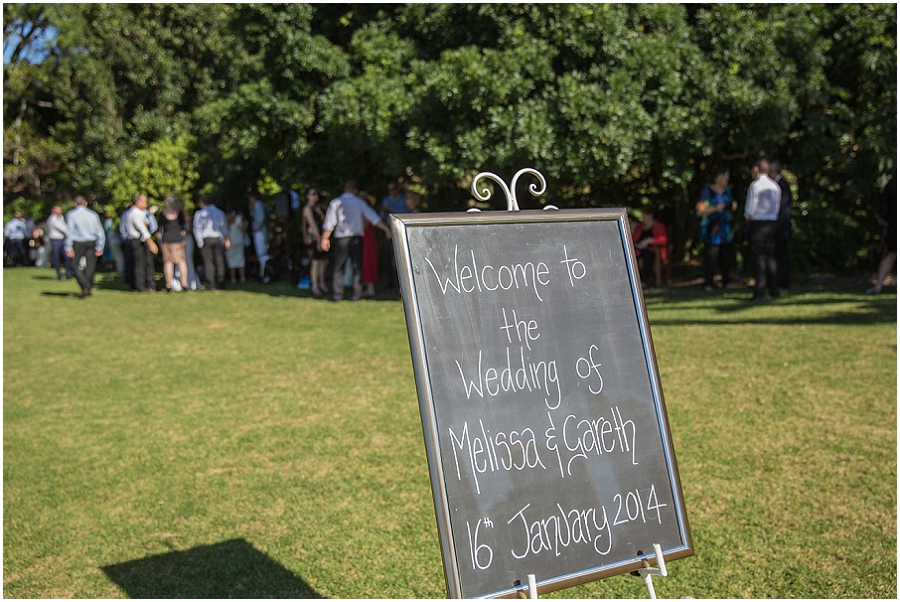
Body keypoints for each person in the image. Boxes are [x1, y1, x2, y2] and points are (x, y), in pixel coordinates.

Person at [321, 180, 392, 302]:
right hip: (356, 237)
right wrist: (386, 229)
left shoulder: (336, 202)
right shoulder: (359, 203)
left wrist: (325, 237)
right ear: (355, 190)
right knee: (357, 266)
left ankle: (337, 294)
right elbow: (373, 217)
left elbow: (330, 222)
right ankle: (357, 294)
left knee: (339, 266)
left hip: (341, 238)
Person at [744, 157, 781, 302]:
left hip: (759, 223)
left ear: (756, 169)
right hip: (772, 222)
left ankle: (760, 290)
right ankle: (775, 288)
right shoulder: (774, 186)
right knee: (771, 257)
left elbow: (751, 208)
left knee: (759, 258)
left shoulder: (755, 186)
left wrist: (747, 218)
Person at [696, 168, 738, 291]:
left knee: (726, 257)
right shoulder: (707, 191)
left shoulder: (727, 191)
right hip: (712, 230)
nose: (726, 179)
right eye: (724, 176)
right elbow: (699, 211)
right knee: (711, 257)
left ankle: (726, 282)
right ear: (716, 177)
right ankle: (708, 283)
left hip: (725, 230)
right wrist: (715, 208)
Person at [63, 195, 106, 297]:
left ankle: (85, 284)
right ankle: (87, 285)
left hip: (79, 241)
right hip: (92, 241)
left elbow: (69, 231)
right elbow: (100, 231)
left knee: (74, 264)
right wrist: (100, 246)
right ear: (85, 203)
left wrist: (68, 246)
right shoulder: (93, 214)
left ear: (74, 204)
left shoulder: (72, 214)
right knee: (91, 265)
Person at [122, 194, 158, 293]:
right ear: (138, 202)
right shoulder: (134, 213)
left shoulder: (141, 212)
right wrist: (150, 242)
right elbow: (143, 228)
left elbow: (148, 225)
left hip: (141, 239)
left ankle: (149, 284)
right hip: (136, 240)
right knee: (139, 263)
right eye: (144, 201)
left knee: (147, 263)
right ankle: (140, 286)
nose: (146, 203)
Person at [193, 194, 230, 291]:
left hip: (207, 238)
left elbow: (197, 228)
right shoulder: (220, 213)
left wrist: (199, 242)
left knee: (208, 261)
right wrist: (225, 239)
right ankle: (221, 281)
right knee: (219, 260)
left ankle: (211, 284)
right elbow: (224, 227)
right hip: (217, 237)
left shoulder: (200, 213)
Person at [868, 175, 897, 294]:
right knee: (891, 254)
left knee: (891, 254)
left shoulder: (891, 185)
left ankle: (878, 285)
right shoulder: (892, 185)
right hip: (894, 225)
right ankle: (878, 285)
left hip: (893, 226)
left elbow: (883, 210)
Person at [380, 179, 408, 295]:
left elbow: (409, 213)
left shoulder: (405, 199)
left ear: (398, 189)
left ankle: (404, 286)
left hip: (403, 230)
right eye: (389, 190)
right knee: (393, 260)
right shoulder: (386, 200)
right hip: (391, 231)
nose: (391, 192)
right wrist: (385, 210)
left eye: (393, 189)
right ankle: (396, 286)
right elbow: (382, 215)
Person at [156, 195, 189, 292]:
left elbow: (159, 231)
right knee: (181, 261)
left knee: (168, 262)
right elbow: (184, 229)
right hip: (178, 239)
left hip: (167, 239)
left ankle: (168, 284)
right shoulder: (179, 214)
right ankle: (184, 283)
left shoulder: (162, 214)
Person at [769, 160, 793, 290]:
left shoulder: (782, 185)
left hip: (781, 226)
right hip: (779, 226)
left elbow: (782, 207)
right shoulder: (780, 185)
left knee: (781, 255)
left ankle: (783, 282)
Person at [301, 187, 328, 297]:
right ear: (307, 196)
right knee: (315, 261)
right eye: (313, 194)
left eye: (316, 194)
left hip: (319, 237)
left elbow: (323, 222)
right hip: (313, 238)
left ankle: (322, 283)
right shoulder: (307, 209)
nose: (315, 196)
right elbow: (312, 224)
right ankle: (315, 286)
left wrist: (321, 214)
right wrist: (319, 239)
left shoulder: (316, 209)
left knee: (323, 261)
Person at [631, 207, 667, 287]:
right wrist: (632, 230)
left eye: (644, 215)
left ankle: (643, 281)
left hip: (652, 251)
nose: (642, 216)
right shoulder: (640, 227)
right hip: (637, 250)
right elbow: (633, 240)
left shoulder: (658, 226)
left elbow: (663, 239)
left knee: (648, 256)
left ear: (651, 215)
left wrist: (650, 240)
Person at [46, 205, 73, 279]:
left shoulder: (61, 217)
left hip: (63, 239)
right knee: (56, 257)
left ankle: (68, 273)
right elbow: (63, 229)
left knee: (67, 256)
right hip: (56, 240)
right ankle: (58, 274)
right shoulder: (52, 219)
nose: (60, 212)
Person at [248, 192, 270, 279]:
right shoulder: (258, 207)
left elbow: (261, 219)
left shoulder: (259, 206)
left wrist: (256, 228)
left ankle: (264, 271)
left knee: (262, 252)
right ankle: (263, 270)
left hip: (260, 232)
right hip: (260, 232)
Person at [361, 192, 379, 298]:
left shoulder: (366, 213)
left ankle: (370, 288)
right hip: (367, 239)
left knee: (367, 262)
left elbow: (363, 226)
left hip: (366, 239)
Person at [225, 206, 247, 284]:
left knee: (231, 260)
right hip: (239, 239)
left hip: (231, 239)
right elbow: (243, 229)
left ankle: (233, 278)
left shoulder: (228, 217)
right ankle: (242, 277)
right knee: (241, 259)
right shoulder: (240, 217)